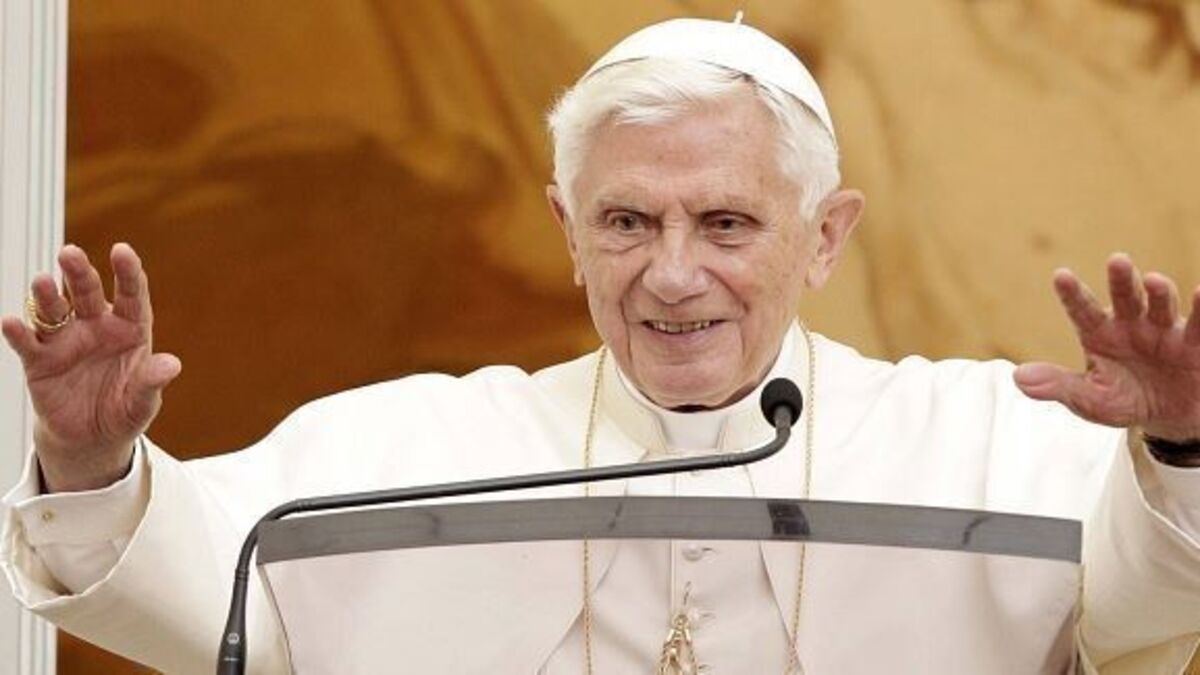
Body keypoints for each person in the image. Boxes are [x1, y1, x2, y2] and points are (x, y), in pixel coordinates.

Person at [3, 16, 1200, 675]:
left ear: (825, 237)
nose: (671, 275)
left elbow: (1143, 603)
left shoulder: (987, 442)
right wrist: (91, 462)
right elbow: (203, 592)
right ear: (569, 231)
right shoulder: (408, 445)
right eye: (626, 223)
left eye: (725, 224)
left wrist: (1184, 447)